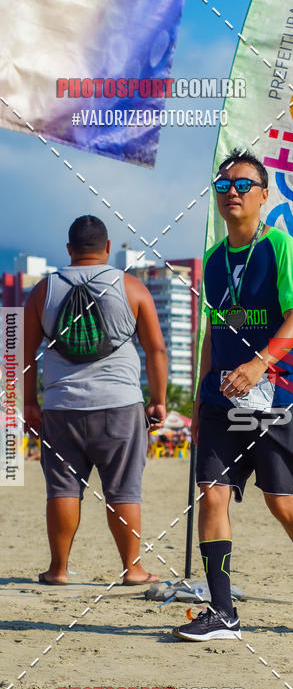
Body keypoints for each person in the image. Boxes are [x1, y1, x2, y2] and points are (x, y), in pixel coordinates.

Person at [172, 148, 293, 642]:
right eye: (224, 187)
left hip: (276, 394)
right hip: (221, 398)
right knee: (213, 493)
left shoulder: (279, 247)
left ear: (264, 195)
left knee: (281, 502)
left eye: (243, 186)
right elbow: (211, 331)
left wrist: (257, 363)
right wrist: (200, 403)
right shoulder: (213, 260)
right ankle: (222, 612)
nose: (232, 194)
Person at [24, 215, 167, 585]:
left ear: (69, 249)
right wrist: (158, 400)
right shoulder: (131, 286)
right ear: (107, 248)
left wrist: (28, 404)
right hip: (120, 405)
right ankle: (132, 569)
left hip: (61, 406)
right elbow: (156, 351)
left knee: (63, 488)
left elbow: (20, 356)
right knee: (123, 490)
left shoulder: (44, 291)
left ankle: (58, 570)